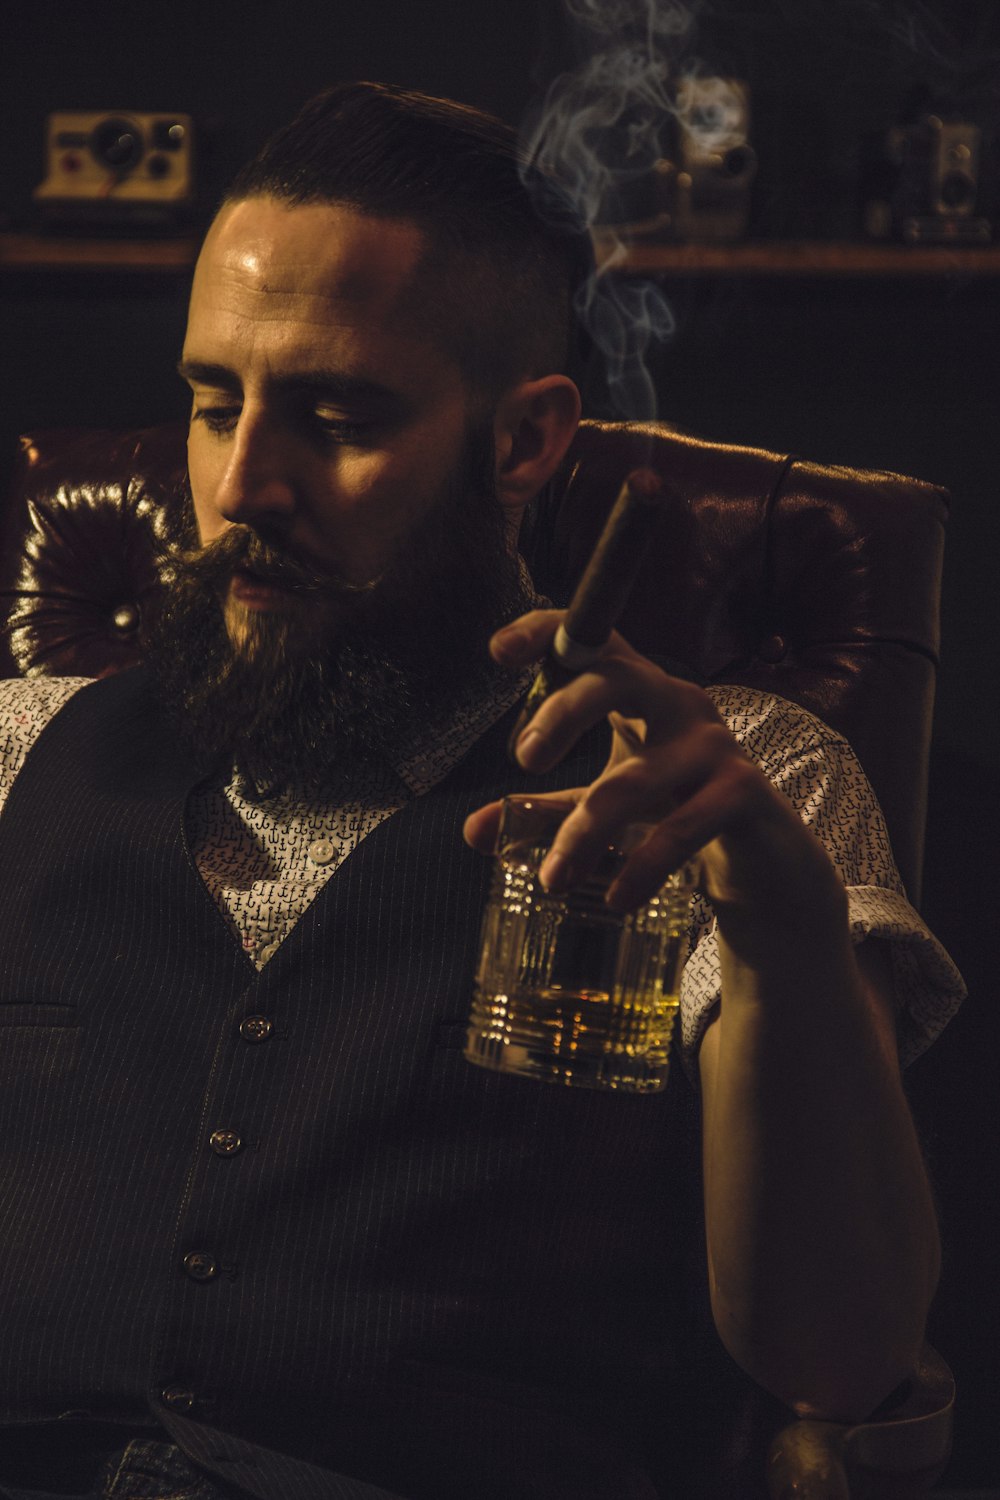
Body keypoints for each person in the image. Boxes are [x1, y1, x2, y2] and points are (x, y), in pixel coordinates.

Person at [0, 82, 963, 1500]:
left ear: (523, 441)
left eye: (335, 416)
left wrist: (776, 935)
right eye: (213, 405)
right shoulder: (25, 744)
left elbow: (838, 1353)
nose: (242, 483)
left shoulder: (735, 785)